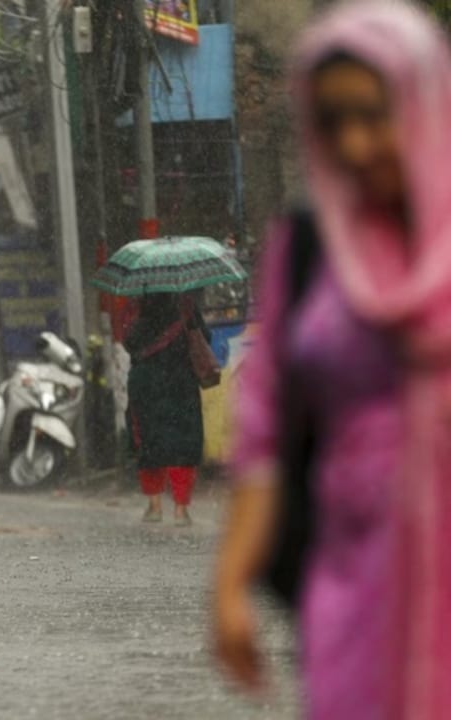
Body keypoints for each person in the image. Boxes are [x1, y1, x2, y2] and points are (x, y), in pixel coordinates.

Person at [214, 2, 451, 717]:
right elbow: (264, 432)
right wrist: (229, 586)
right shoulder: (309, 248)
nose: (354, 143)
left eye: (373, 114)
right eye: (332, 120)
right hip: (351, 591)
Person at [124, 292, 209, 526]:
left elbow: (129, 342)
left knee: (150, 443)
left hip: (146, 384)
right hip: (181, 382)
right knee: (184, 444)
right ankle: (181, 510)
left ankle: (154, 507)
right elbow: (205, 337)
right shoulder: (186, 305)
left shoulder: (137, 305)